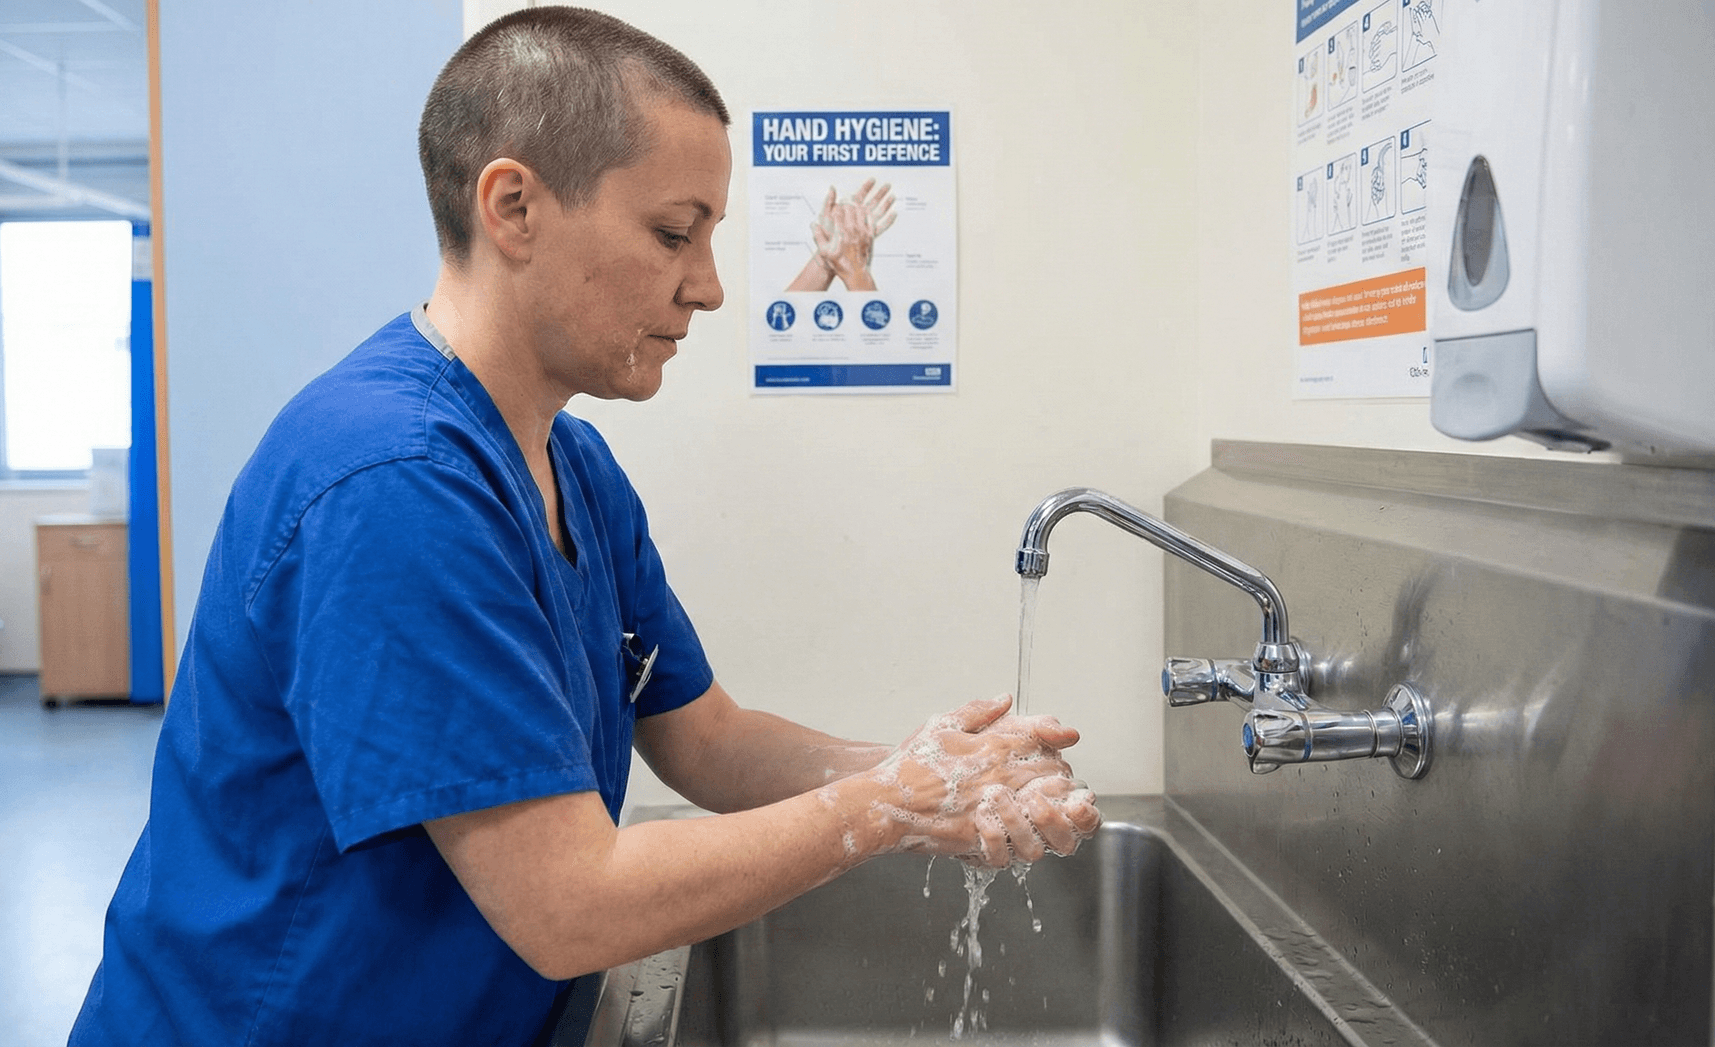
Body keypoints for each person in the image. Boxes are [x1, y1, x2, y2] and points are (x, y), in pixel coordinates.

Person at [70, 8, 1099, 1046]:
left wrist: (926, 772)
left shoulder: (573, 468)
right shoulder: (393, 483)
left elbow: (707, 739)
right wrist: (891, 807)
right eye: (672, 233)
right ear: (514, 207)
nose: (706, 286)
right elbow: (571, 906)